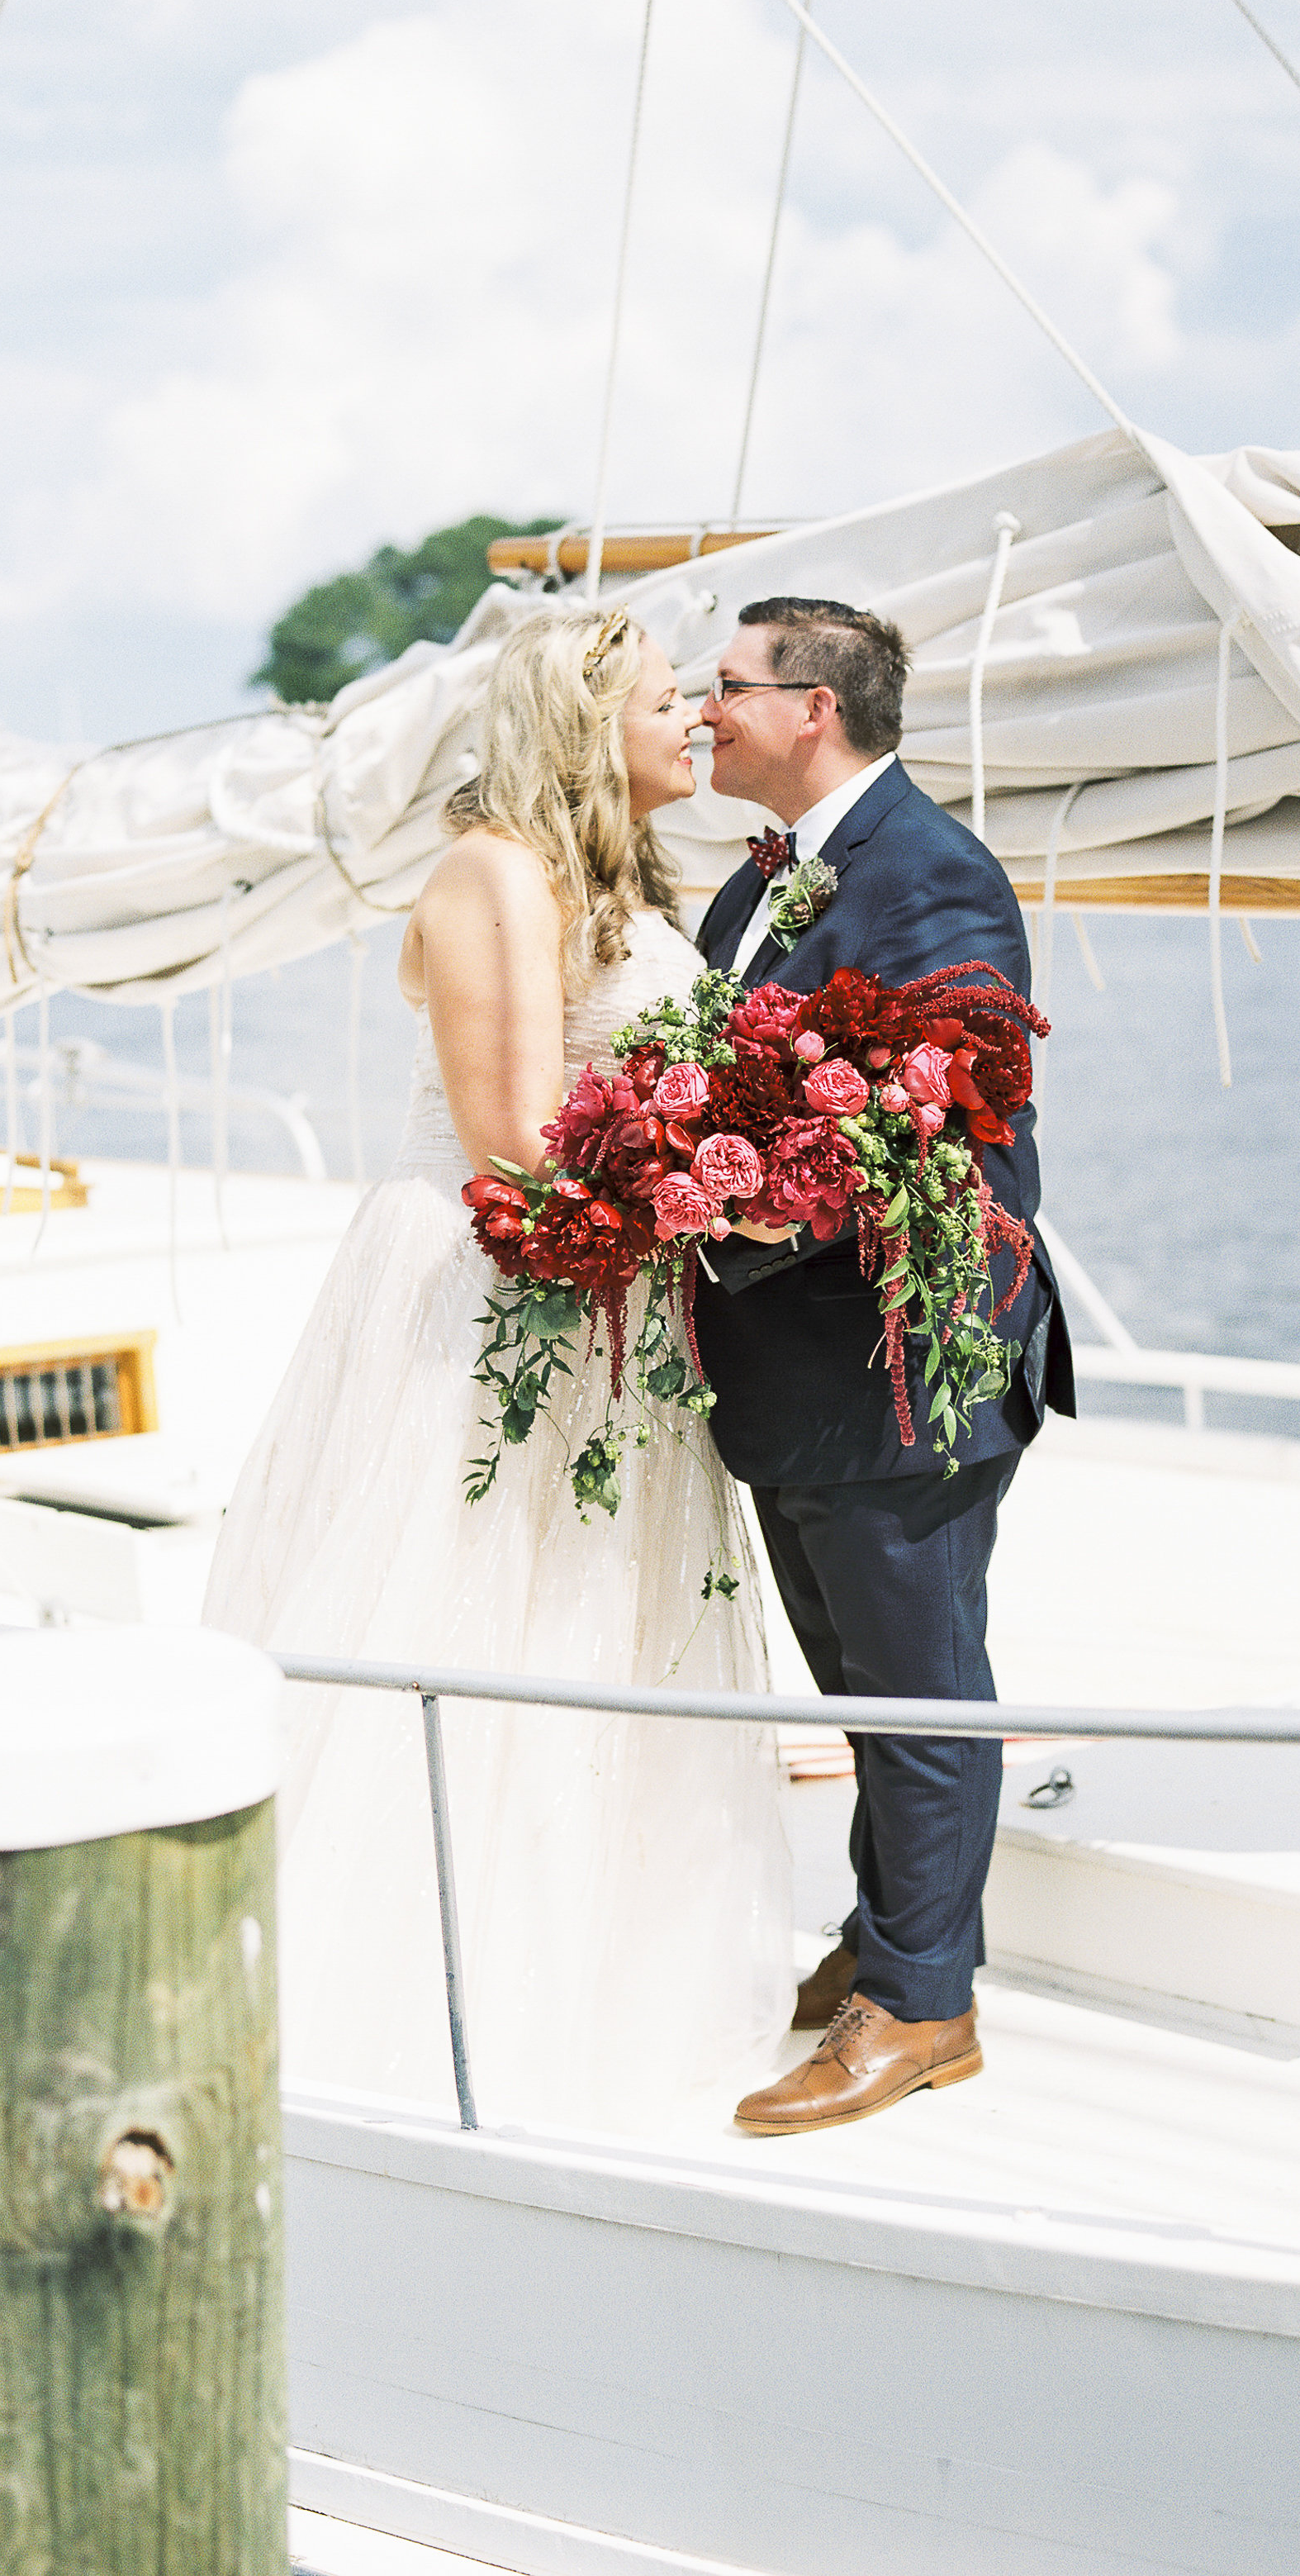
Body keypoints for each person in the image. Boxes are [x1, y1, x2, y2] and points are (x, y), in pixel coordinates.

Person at [203, 605, 791, 2132]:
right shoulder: (494, 874)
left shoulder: (614, 881)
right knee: (476, 1599)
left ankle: (602, 1981)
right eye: (673, 701)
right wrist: (697, 1189)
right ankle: (410, 2008)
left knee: (601, 1621)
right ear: (589, 727)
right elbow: (513, 1139)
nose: (697, 723)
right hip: (493, 1283)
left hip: (613, 1293)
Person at [691, 596, 1076, 2136]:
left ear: (811, 709)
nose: (700, 708)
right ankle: (886, 1939)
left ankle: (924, 2008)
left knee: (919, 1696)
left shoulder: (930, 877)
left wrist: (698, 1222)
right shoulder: (756, 888)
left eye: (724, 685)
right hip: (794, 1371)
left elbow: (924, 1132)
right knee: (856, 1691)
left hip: (901, 1364)